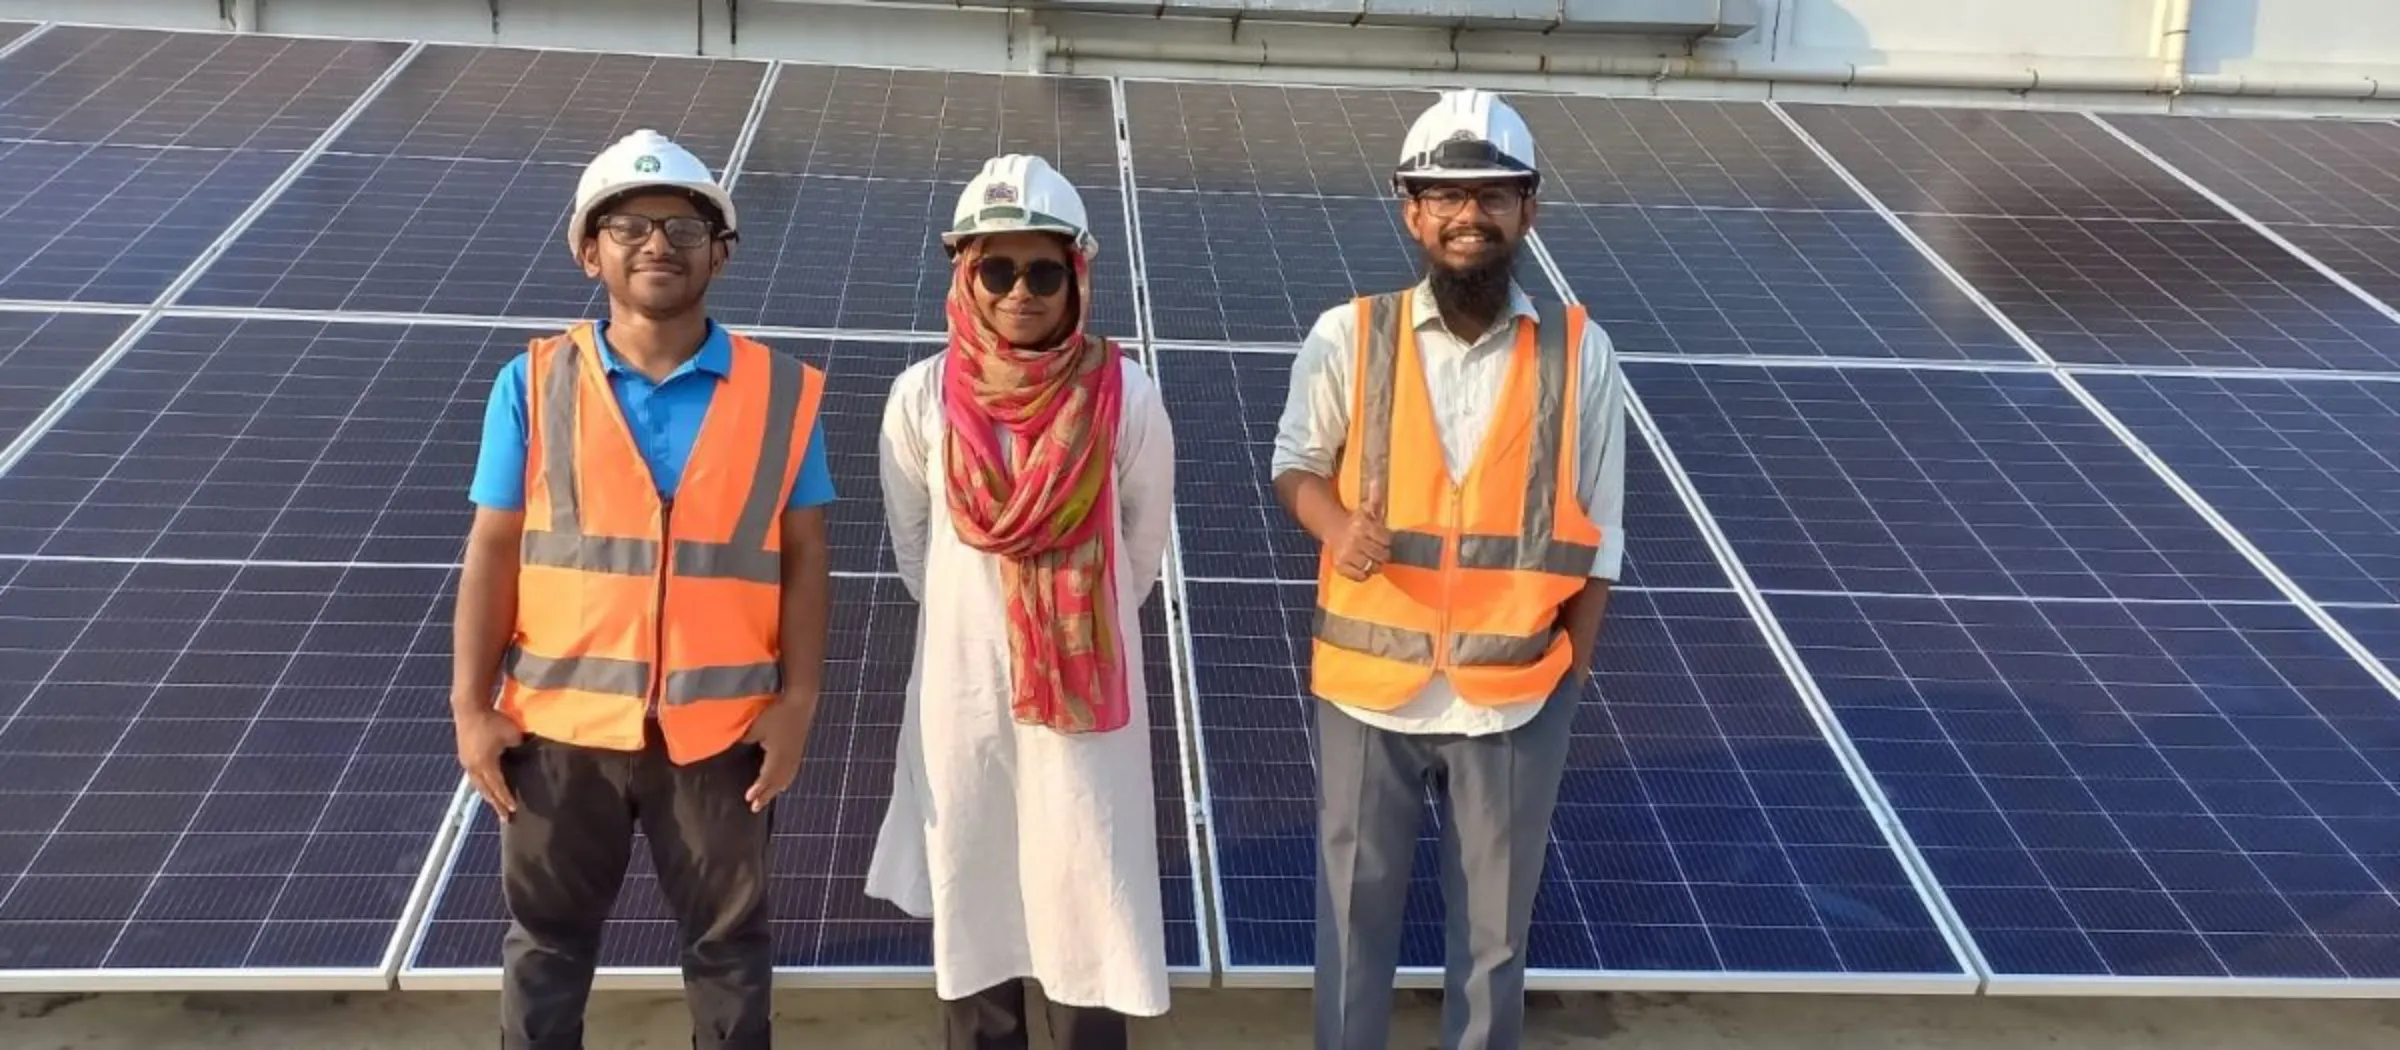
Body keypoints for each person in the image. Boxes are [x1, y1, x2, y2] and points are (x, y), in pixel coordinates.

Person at [449, 127, 836, 1050]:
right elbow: (494, 547)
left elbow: (806, 553)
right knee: (545, 949)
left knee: (730, 951)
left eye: (682, 226)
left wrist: (800, 703)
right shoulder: (531, 382)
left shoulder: (783, 391)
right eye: (628, 226)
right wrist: (470, 706)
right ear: (591, 251)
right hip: (558, 734)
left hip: (722, 735)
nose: (657, 243)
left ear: (721, 252)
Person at [1270, 89, 1627, 1050]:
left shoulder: (1581, 356)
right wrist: (1333, 521)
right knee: (1351, 929)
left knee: (1493, 945)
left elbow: (1604, 541)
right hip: (1368, 694)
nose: (1469, 213)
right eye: (1446, 194)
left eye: (1493, 194)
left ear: (1528, 211)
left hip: (1515, 701)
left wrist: (1565, 687)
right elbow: (1294, 463)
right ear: (1413, 211)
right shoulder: (1347, 334)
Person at [866, 153, 1178, 1050]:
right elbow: (917, 552)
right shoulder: (919, 397)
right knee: (977, 897)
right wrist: (992, 631)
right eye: (996, 269)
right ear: (966, 274)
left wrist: (1065, 635)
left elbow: (1139, 553)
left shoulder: (1126, 396)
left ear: (1075, 275)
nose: (1020, 292)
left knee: (1089, 898)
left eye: (1043, 271)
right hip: (961, 703)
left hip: (1087, 714)